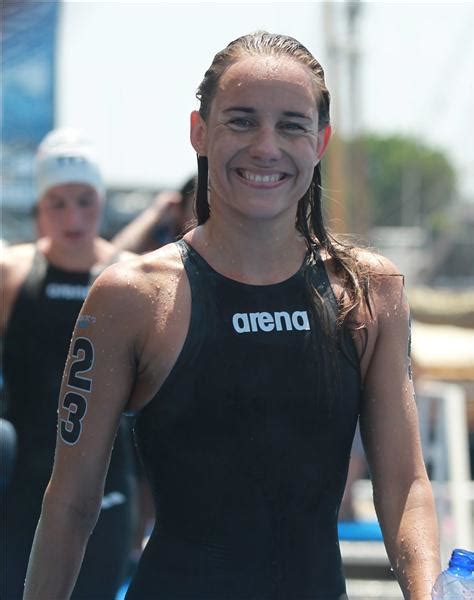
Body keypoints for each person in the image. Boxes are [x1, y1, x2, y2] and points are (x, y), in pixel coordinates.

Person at [23, 33, 440, 600]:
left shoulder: (369, 292)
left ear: (320, 142)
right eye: (241, 121)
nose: (266, 146)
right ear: (199, 131)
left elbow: (405, 483)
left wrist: (427, 592)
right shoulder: (130, 297)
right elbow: (70, 503)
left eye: (291, 125)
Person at [0, 128, 137, 600]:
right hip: (23, 486)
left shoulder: (136, 278)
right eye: (57, 202)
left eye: (84, 199)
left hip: (109, 486)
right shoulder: (12, 274)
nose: (73, 216)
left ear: (101, 199)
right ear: (40, 206)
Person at [110, 175, 196, 254]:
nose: (207, 217)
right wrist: (155, 211)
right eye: (199, 208)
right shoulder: (161, 238)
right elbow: (114, 257)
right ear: (179, 209)